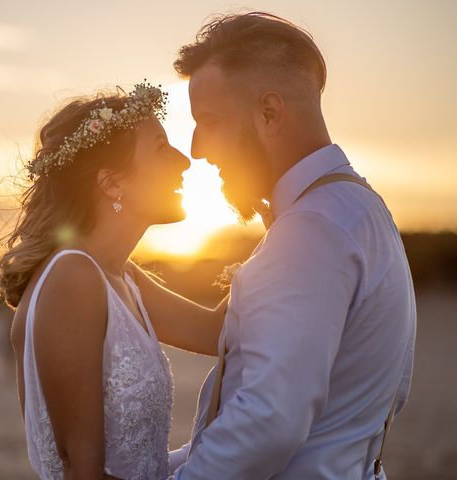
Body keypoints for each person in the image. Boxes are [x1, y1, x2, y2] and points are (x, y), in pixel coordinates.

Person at [165, 12, 417, 479]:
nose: (197, 148)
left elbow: (268, 422)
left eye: (209, 121)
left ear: (269, 113)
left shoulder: (312, 230)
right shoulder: (358, 209)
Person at [0, 83, 226, 480]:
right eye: (160, 149)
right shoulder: (73, 278)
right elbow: (83, 470)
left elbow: (217, 331)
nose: (183, 161)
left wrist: (284, 226)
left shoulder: (121, 276)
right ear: (112, 182)